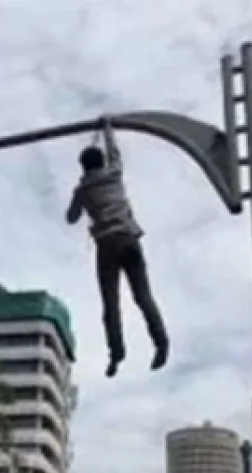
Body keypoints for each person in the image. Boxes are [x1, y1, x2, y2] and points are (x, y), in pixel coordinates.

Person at [67, 117, 169, 377]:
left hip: (107, 246)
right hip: (129, 239)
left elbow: (71, 218)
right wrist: (107, 128)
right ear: (101, 163)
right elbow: (114, 151)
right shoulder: (114, 174)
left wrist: (81, 189)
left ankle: (116, 353)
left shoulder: (82, 189)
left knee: (110, 303)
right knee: (143, 296)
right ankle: (161, 342)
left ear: (84, 167)